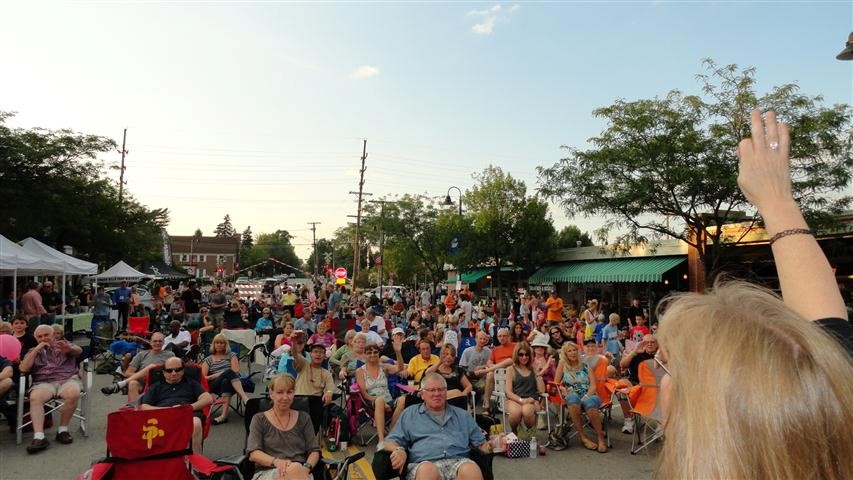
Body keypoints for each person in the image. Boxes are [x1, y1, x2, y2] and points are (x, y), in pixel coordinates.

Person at [650, 109, 853, 479]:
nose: (664, 378)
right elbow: (828, 336)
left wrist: (776, 201)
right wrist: (778, 201)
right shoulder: (832, 395)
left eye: (673, 367)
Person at [384, 372, 490, 480]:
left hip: (458, 462)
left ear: (446, 392)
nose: (437, 394)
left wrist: (494, 444)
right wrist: (399, 450)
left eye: (441, 389)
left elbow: (482, 444)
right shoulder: (409, 414)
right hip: (423, 463)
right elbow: (390, 441)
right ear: (422, 393)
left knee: (471, 470)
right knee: (427, 470)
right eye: (432, 390)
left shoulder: (462, 415)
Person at [18, 324, 83, 454]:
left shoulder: (63, 344)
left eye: (46, 335)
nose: (43, 338)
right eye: (40, 336)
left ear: (53, 335)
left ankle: (62, 430)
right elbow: (23, 368)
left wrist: (69, 348)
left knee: (73, 392)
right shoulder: (33, 351)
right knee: (35, 397)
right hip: (43, 382)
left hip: (67, 379)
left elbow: (79, 350)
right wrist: (37, 350)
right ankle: (39, 437)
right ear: (36, 338)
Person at [247, 374, 321, 480]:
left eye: (289, 392)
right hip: (268, 472)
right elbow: (254, 454)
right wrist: (277, 462)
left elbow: (314, 450)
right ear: (271, 393)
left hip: (302, 471)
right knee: (294, 469)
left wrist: (306, 468)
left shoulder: (304, 418)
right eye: (280, 392)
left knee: (295, 469)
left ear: (294, 393)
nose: (285, 397)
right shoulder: (259, 419)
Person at [140, 356, 212, 454]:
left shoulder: (191, 383)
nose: (173, 373)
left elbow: (207, 398)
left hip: (187, 413)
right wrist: (167, 410)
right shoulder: (156, 386)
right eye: (169, 371)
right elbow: (144, 406)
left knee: (195, 423)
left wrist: (189, 407)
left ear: (183, 371)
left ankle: (196, 460)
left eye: (178, 370)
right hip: (162, 415)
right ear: (164, 372)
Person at [554, 342, 607, 453]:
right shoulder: (563, 365)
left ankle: (600, 438)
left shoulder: (586, 366)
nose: (573, 353)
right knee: (573, 400)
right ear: (565, 354)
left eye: (574, 350)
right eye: (569, 351)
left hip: (589, 394)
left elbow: (593, 386)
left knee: (590, 404)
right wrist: (563, 390)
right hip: (571, 394)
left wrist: (586, 396)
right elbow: (556, 383)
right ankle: (582, 437)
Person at [355, 341, 405, 447]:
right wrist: (381, 403)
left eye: (375, 352)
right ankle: (381, 440)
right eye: (369, 352)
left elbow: (400, 368)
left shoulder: (384, 367)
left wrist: (398, 352)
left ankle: (391, 433)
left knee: (403, 399)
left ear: (379, 353)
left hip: (388, 399)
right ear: (364, 355)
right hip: (371, 401)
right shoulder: (360, 371)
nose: (372, 354)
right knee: (380, 401)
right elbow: (364, 394)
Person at [101, 332, 175, 401]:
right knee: (133, 383)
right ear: (150, 342)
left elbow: (174, 370)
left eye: (160, 341)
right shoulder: (142, 354)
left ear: (164, 342)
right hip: (143, 383)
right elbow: (128, 373)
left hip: (162, 382)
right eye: (155, 341)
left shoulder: (170, 355)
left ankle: (120, 385)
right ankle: (134, 409)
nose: (157, 343)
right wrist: (144, 375)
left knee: (152, 367)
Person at [202, 334, 251, 425]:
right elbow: (203, 378)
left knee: (226, 381)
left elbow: (236, 372)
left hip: (232, 384)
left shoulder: (231, 355)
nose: (219, 345)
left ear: (226, 345)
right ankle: (244, 397)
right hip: (214, 385)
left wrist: (225, 374)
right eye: (217, 343)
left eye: (222, 343)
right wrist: (218, 375)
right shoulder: (208, 359)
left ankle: (223, 416)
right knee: (228, 371)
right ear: (214, 344)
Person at [503, 342, 544, 435]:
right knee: (515, 413)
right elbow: (508, 392)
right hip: (515, 398)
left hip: (531, 399)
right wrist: (521, 400)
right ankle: (514, 432)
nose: (524, 357)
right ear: (516, 355)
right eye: (521, 354)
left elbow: (542, 390)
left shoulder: (533, 368)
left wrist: (538, 374)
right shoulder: (510, 369)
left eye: (527, 354)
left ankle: (529, 434)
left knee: (527, 412)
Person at [480, 328, 515, 413]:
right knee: (490, 374)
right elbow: (489, 362)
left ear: (508, 336)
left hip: (511, 371)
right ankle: (486, 404)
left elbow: (516, 360)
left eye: (504, 336)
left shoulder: (515, 346)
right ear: (497, 338)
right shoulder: (495, 349)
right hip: (498, 372)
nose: (502, 338)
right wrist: (493, 366)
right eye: (500, 336)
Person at [459, 331, 491, 396]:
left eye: (484, 339)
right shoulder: (467, 351)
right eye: (480, 338)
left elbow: (490, 364)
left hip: (482, 378)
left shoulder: (488, 351)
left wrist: (482, 367)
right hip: (469, 378)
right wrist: (473, 372)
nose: (482, 341)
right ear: (476, 339)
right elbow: (461, 368)